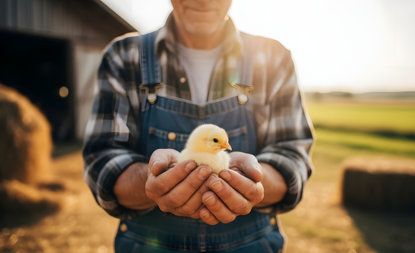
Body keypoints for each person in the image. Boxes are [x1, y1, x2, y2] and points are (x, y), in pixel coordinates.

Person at [83, 0, 314, 252]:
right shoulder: (124, 56)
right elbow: (102, 159)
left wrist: (255, 183)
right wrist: (151, 183)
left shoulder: (272, 58)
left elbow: (293, 156)